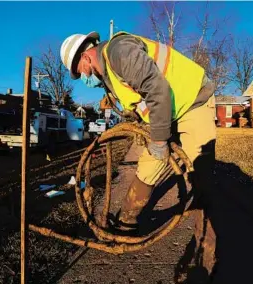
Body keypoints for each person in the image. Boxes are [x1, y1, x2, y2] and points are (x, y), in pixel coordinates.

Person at [60, 31, 217, 258]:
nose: (84, 79)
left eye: (80, 73)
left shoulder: (119, 52)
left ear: (84, 58)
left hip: (193, 101)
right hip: (166, 113)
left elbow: (157, 89)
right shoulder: (108, 78)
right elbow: (140, 101)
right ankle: (125, 225)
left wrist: (161, 140)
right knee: (148, 169)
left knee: (199, 174)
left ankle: (205, 254)